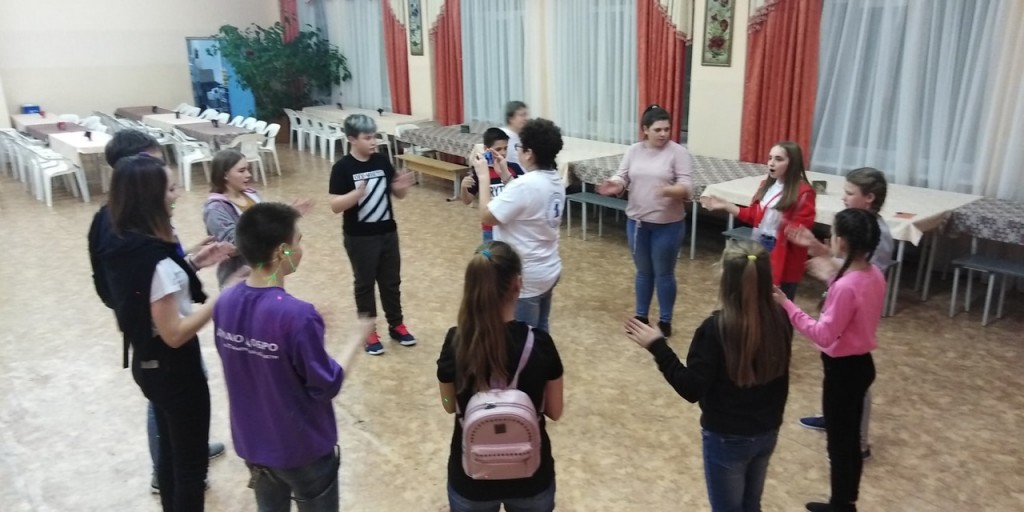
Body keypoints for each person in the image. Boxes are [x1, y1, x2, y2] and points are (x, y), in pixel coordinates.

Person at [92, 154, 234, 512]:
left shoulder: (126, 244)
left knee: (172, 458)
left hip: (150, 363)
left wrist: (193, 263)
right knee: (189, 467)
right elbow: (174, 333)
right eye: (171, 189)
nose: (177, 195)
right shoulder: (151, 259)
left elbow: (156, 289)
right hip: (174, 369)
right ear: (150, 198)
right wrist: (223, 299)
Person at [213, 202, 372, 512]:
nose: (301, 247)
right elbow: (326, 384)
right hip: (301, 449)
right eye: (298, 240)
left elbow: (244, 360)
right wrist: (356, 339)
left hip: (253, 444)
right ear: (281, 251)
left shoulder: (225, 301)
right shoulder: (297, 315)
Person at [624, 239, 792, 512]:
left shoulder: (715, 329)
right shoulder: (781, 319)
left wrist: (657, 346)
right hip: (767, 431)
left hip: (727, 437)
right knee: (751, 505)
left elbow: (691, 388)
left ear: (726, 282)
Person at [437, 241, 564, 512]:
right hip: (531, 475)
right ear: (518, 284)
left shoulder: (455, 342)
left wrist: (453, 403)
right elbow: (554, 411)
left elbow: (448, 406)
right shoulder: (540, 343)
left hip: (471, 477)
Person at [773, 208, 884, 512]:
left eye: (833, 234)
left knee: (840, 444)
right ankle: (845, 501)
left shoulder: (845, 286)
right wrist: (828, 271)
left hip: (843, 371)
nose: (829, 238)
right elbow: (851, 294)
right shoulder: (873, 273)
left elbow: (823, 334)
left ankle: (841, 505)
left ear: (842, 242)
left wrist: (787, 305)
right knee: (848, 441)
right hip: (861, 365)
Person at [785, 167, 891, 458]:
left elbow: (859, 279)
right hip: (843, 331)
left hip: (853, 336)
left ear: (869, 198)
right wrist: (819, 250)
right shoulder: (855, 230)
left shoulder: (875, 236)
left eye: (849, 193)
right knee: (839, 388)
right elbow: (849, 266)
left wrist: (829, 274)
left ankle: (858, 442)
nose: (843, 197)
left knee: (854, 391)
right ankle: (834, 421)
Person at [596, 105, 693, 337]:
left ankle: (665, 321)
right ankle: (641, 317)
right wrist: (615, 184)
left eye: (667, 129)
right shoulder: (634, 150)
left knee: (664, 273)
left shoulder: (678, 152)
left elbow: (688, 186)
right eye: (658, 129)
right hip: (638, 222)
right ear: (645, 130)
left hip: (668, 225)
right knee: (643, 272)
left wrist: (670, 190)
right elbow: (623, 176)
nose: (663, 134)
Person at [329, 114, 418, 355]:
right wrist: (355, 195)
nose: (373, 142)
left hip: (388, 233)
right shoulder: (342, 168)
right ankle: (368, 331)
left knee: (391, 283)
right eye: (367, 138)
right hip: (359, 238)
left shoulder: (381, 161)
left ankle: (396, 325)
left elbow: (397, 194)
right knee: (365, 284)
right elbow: (335, 205)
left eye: (374, 136)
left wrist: (401, 187)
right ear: (352, 139)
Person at [472, 118, 565, 333]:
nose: (517, 151)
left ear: (529, 153)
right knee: (540, 333)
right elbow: (527, 201)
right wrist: (505, 175)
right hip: (547, 267)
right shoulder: (555, 180)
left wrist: (484, 177)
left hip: (526, 275)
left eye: (519, 147)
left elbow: (487, 216)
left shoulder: (525, 185)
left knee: (520, 338)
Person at [701, 141, 816, 300]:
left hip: (785, 262)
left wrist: (783, 222)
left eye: (778, 159)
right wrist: (727, 205)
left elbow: (802, 231)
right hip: (761, 250)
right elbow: (753, 215)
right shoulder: (766, 185)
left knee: (779, 309)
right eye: (770, 158)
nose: (771, 163)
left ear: (793, 163)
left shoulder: (804, 193)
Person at [203, 149, 313, 288]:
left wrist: (287, 215)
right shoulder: (215, 209)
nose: (248, 175)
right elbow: (233, 244)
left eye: (247, 169)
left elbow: (266, 221)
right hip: (239, 278)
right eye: (241, 171)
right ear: (225, 174)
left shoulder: (252, 195)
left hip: (265, 271)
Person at [460, 127, 524, 242]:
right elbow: (467, 200)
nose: (503, 153)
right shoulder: (480, 170)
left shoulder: (514, 168)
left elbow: (523, 196)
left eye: (505, 148)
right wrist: (463, 187)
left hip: (513, 228)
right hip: (490, 229)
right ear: (486, 149)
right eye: (498, 149)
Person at [501, 101, 529, 166]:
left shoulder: (524, 137)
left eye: (526, 115)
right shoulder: (501, 135)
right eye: (522, 115)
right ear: (510, 118)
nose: (526, 119)